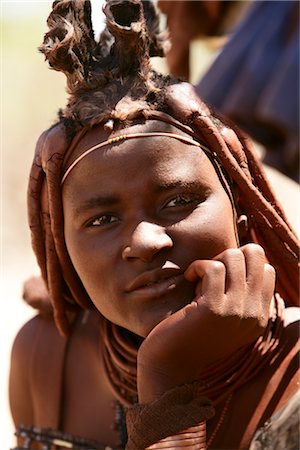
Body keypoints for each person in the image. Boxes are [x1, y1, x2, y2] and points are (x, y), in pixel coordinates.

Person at [9, 0, 299, 449]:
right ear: (63, 249)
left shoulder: (294, 370)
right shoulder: (47, 358)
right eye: (102, 218)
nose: (145, 241)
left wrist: (167, 376)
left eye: (179, 201)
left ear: (241, 216)